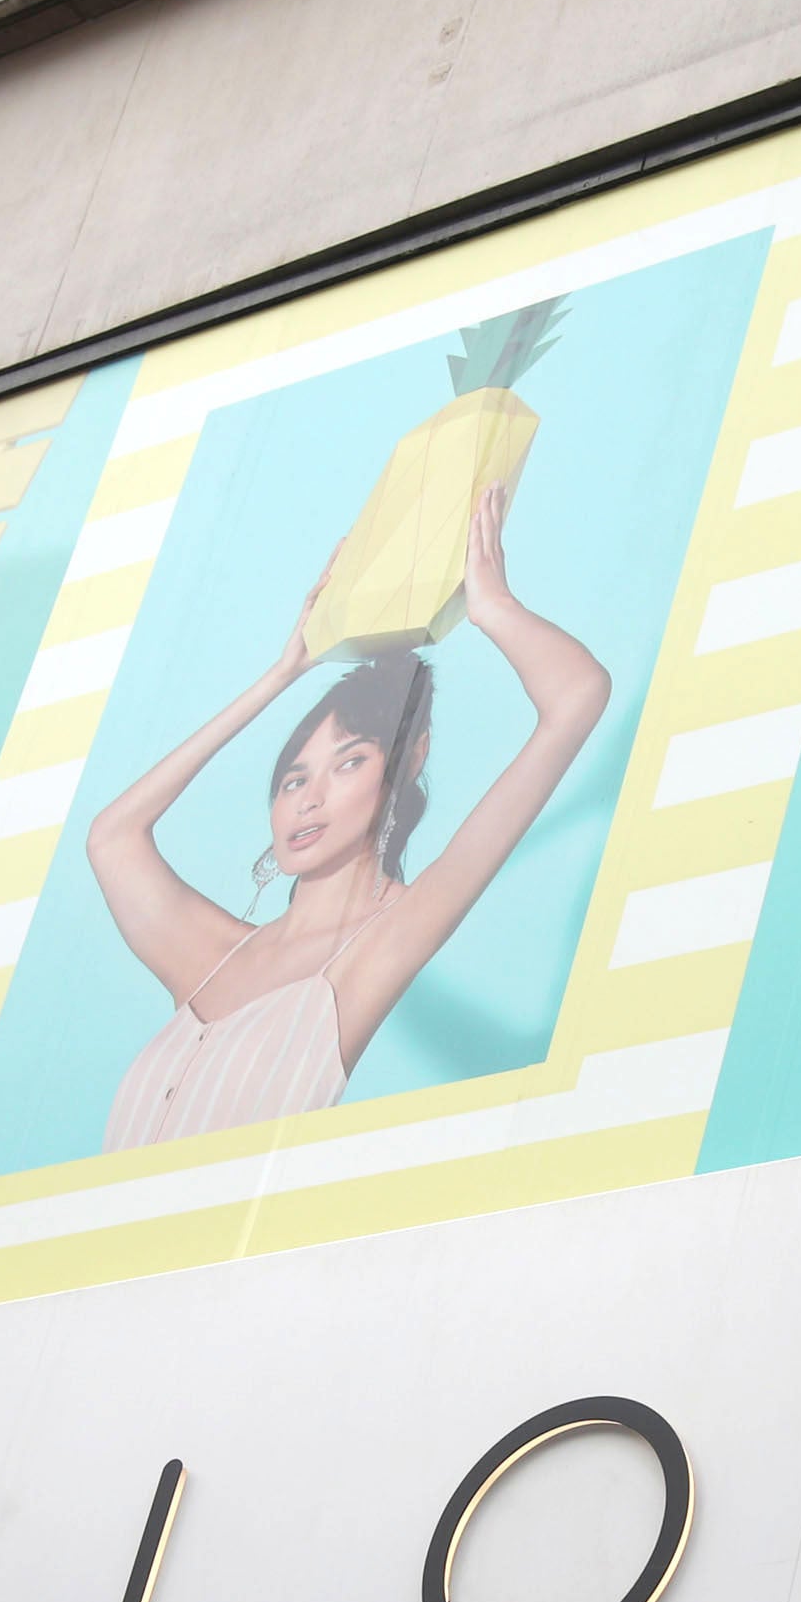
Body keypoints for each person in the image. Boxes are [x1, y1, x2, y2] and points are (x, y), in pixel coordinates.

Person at [88, 485, 609, 1150]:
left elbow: (578, 696)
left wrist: (493, 607)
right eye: (294, 777)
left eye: (349, 763)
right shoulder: (209, 955)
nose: (309, 798)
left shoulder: (384, 942)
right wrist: (281, 675)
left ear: (404, 766)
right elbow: (111, 836)